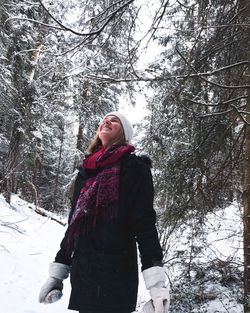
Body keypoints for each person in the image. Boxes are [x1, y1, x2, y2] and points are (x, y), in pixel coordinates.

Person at [39, 112, 170, 313]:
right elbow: (73, 227)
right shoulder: (85, 172)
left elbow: (144, 225)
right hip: (83, 275)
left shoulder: (134, 168)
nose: (107, 121)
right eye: (104, 119)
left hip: (115, 278)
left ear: (124, 132)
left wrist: (156, 286)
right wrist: (57, 273)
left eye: (114, 120)